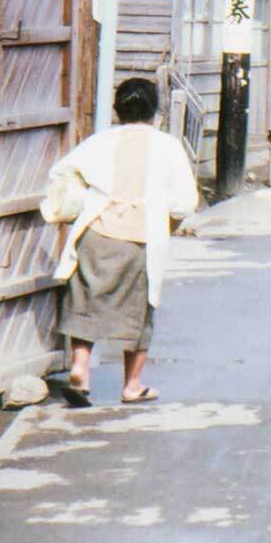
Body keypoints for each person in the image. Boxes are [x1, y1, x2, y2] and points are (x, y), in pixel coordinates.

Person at [48, 77, 198, 406]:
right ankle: (132, 385)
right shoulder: (167, 146)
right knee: (140, 313)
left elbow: (62, 172)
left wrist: (78, 201)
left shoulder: (100, 142)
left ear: (118, 109)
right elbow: (185, 202)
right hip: (140, 240)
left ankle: (81, 368)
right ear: (155, 111)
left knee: (85, 302)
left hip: (96, 232)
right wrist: (167, 222)